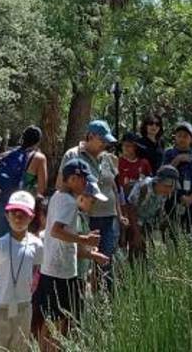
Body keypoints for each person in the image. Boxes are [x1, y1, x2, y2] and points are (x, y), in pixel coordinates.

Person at [36, 162, 107, 352]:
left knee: (52, 319)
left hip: (54, 269)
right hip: (60, 271)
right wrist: (85, 238)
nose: (85, 184)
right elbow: (56, 231)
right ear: (73, 179)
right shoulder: (68, 202)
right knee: (58, 321)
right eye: (84, 180)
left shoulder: (58, 197)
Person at [58, 120, 123, 288]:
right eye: (102, 140)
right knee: (83, 261)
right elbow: (62, 186)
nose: (105, 144)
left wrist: (119, 213)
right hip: (84, 218)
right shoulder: (73, 155)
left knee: (106, 260)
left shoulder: (107, 159)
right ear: (91, 136)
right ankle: (79, 298)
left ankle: (104, 302)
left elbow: (114, 187)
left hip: (108, 217)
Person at [0, 191, 43, 352]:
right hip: (0, 307)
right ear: (6, 215)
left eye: (23, 214)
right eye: (13, 213)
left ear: (31, 217)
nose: (17, 218)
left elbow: (36, 272)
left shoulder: (37, 245)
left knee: (20, 347)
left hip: (24, 308)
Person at [162, 122, 192, 251]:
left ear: (191, 139)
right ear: (175, 137)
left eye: (186, 136)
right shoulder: (169, 154)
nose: (182, 139)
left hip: (191, 202)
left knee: (191, 236)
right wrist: (177, 160)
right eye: (179, 135)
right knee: (172, 236)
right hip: (172, 201)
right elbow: (162, 177)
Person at [0, 126, 49, 237]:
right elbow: (42, 189)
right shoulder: (39, 158)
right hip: (24, 205)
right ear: (38, 140)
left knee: (5, 241)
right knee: (23, 242)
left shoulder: (11, 155)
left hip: (5, 201)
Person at [124, 165, 180, 257]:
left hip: (149, 222)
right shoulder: (144, 188)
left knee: (149, 254)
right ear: (158, 181)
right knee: (136, 252)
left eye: (171, 187)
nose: (169, 190)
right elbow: (131, 210)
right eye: (166, 186)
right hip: (135, 223)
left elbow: (159, 208)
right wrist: (136, 233)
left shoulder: (165, 193)